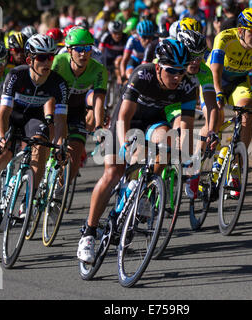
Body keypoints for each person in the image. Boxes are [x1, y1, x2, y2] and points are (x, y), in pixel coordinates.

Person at [77, 39, 197, 264]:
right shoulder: (143, 75)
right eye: (171, 71)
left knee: (167, 143)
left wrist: (187, 155)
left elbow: (186, 127)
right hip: (127, 121)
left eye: (181, 72)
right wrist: (125, 146)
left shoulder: (188, 84)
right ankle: (89, 233)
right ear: (159, 67)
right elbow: (123, 117)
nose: (177, 77)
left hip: (154, 122)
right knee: (113, 172)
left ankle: (142, 191)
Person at [0, 34, 68, 236]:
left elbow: (60, 121)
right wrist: (0, 139)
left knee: (41, 145)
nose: (47, 61)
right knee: (2, 156)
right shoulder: (16, 76)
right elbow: (3, 113)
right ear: (29, 60)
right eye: (42, 57)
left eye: (50, 57)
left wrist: (60, 144)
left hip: (33, 120)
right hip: (12, 117)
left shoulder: (58, 83)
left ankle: (28, 201)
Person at [207, 8, 252, 197]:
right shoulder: (225, 38)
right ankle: (197, 169)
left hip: (239, 81)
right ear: (241, 31)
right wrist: (218, 93)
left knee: (248, 107)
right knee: (216, 118)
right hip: (215, 80)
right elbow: (215, 70)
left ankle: (237, 163)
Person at [51, 27, 108, 185]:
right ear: (69, 50)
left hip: (76, 110)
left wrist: (98, 125)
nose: (83, 54)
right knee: (52, 143)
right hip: (55, 106)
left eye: (87, 49)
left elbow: (98, 99)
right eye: (78, 49)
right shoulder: (59, 62)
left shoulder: (98, 70)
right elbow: (47, 91)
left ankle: (59, 192)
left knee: (76, 154)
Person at [176, 28, 219, 199]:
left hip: (184, 105)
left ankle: (190, 167)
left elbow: (211, 104)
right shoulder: (172, 64)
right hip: (164, 103)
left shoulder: (204, 71)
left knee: (188, 123)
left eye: (199, 56)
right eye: (191, 56)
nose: (195, 62)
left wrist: (212, 131)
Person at [99, 20, 128, 84]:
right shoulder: (106, 36)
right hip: (108, 57)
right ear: (111, 32)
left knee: (118, 61)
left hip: (120, 58)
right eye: (115, 33)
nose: (117, 35)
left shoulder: (126, 37)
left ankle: (119, 79)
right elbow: (100, 51)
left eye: (119, 33)